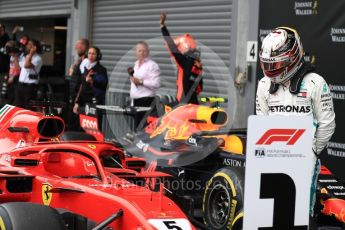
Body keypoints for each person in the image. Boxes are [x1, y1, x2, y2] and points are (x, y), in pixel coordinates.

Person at [256, 27, 335, 218]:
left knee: (301, 214)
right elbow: (262, 121)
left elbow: (327, 123)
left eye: (276, 64)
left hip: (303, 159)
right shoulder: (264, 84)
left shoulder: (315, 83)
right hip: (271, 157)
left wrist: (312, 152)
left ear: (293, 57)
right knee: (268, 214)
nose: (271, 70)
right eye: (267, 64)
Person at [160, 13, 203, 104]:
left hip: (183, 104)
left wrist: (163, 27)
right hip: (194, 103)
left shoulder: (185, 62)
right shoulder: (198, 65)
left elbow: (171, 45)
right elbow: (200, 88)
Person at [73, 46, 108, 120]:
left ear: (98, 55)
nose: (91, 55)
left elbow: (103, 86)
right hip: (83, 102)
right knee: (82, 127)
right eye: (89, 53)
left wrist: (92, 82)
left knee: (95, 127)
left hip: (95, 103)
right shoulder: (85, 68)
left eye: (93, 54)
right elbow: (81, 86)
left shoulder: (101, 70)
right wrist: (77, 103)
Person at [128, 41, 160, 107]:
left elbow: (156, 84)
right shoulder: (135, 65)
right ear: (136, 52)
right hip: (134, 101)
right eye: (139, 51)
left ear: (148, 52)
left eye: (144, 51)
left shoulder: (152, 65)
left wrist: (141, 82)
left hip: (146, 101)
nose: (142, 53)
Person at [14, 39, 43, 109]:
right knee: (18, 106)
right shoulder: (24, 56)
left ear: (35, 47)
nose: (27, 46)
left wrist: (31, 53)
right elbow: (18, 67)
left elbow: (26, 65)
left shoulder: (38, 58)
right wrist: (15, 56)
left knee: (29, 108)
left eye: (29, 44)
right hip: (20, 84)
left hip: (30, 86)